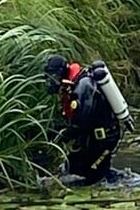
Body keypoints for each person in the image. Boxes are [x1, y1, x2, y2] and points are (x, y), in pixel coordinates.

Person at [44, 54, 135, 185]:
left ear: (61, 73)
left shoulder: (83, 87)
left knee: (92, 177)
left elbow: (81, 123)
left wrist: (59, 134)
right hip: (91, 138)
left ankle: (130, 183)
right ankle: (116, 178)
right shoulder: (73, 84)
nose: (51, 81)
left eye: (53, 77)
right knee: (74, 168)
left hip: (105, 139)